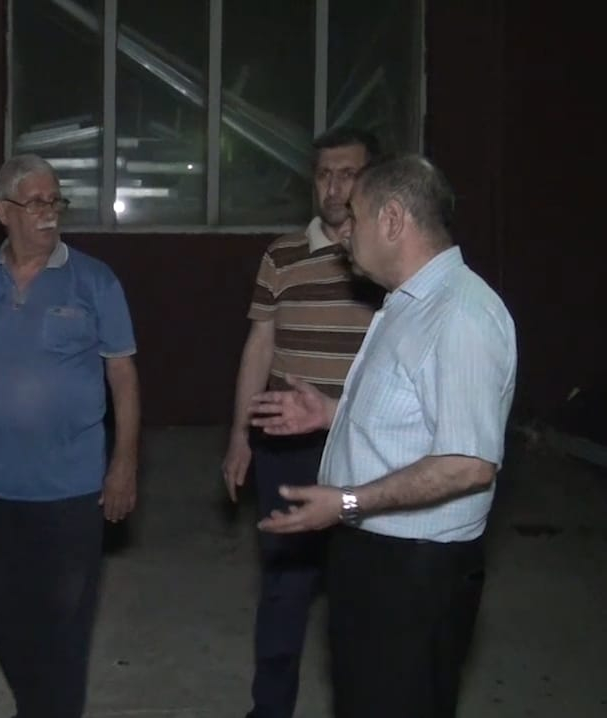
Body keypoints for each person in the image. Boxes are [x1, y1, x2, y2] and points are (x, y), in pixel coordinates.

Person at [250, 154, 518, 718]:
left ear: (393, 220)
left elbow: (469, 464)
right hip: (376, 554)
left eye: (356, 216)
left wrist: (347, 501)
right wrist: (330, 413)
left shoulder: (460, 316)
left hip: (415, 572)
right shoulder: (407, 301)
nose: (345, 230)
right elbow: (415, 416)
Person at [0, 154, 140, 718]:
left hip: (71, 489)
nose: (49, 212)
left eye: (54, 200)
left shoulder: (94, 281)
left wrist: (124, 462)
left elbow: (123, 375)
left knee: (62, 622)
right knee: (3, 619)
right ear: (3, 211)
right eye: (35, 202)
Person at [221, 127, 382, 718]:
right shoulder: (283, 255)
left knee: (363, 594)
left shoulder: (387, 261)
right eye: (324, 175)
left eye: (348, 175)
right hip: (288, 446)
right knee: (285, 589)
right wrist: (240, 435)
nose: (333, 187)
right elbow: (259, 345)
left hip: (366, 447)